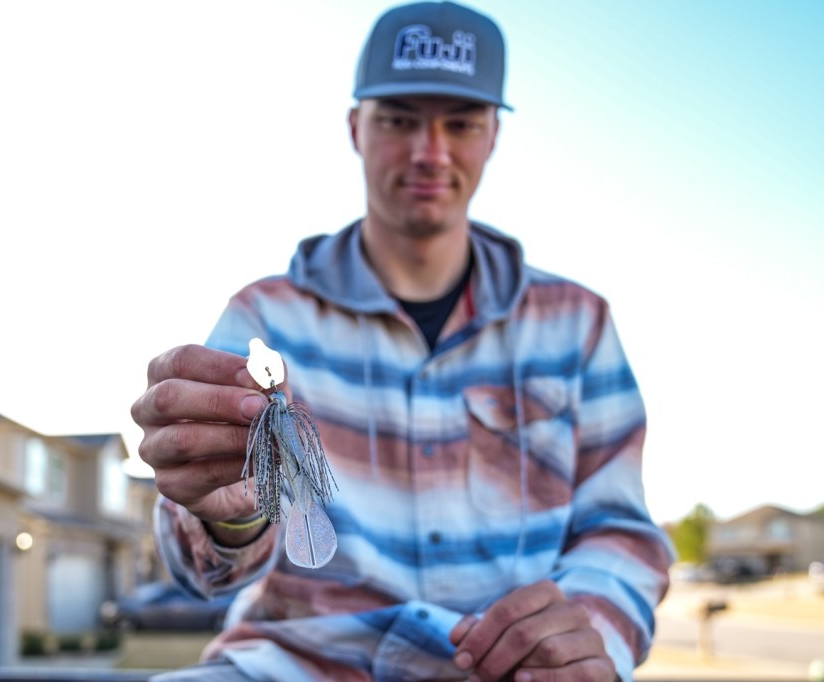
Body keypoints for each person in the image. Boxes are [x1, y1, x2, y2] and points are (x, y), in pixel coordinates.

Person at [130, 1, 675, 680]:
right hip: (294, 665)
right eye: (399, 119)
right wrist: (228, 517)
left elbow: (619, 533)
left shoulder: (577, 324)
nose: (429, 152)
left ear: (493, 136)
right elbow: (206, 564)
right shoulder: (266, 319)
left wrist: (590, 631)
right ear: (355, 127)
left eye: (461, 122)